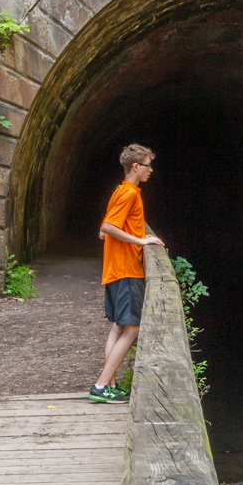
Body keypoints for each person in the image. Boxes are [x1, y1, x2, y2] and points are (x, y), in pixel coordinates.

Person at [90, 144, 162, 403]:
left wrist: (132, 233)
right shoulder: (130, 193)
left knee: (118, 328)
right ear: (135, 166)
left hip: (114, 269)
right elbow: (109, 227)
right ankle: (101, 386)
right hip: (126, 270)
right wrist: (141, 240)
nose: (151, 170)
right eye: (147, 165)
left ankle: (109, 385)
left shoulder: (120, 190)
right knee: (132, 329)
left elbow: (102, 231)